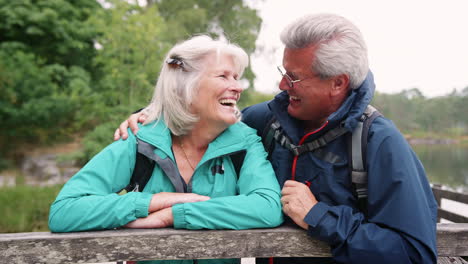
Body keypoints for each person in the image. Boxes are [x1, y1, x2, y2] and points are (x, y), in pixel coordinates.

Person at [115, 14, 438, 264]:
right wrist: (152, 115)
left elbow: (414, 254)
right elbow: (202, 114)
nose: (283, 85)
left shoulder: (379, 143)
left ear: (338, 83)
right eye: (283, 71)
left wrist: (320, 217)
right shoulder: (265, 121)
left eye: (294, 77)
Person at [49, 35, 283, 264]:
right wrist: (151, 201)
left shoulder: (246, 142)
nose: (237, 87)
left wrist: (174, 214)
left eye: (236, 77)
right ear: (186, 87)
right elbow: (65, 211)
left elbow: (268, 207)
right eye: (223, 76)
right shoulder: (141, 139)